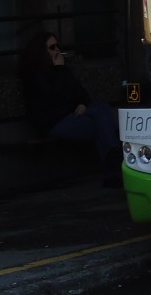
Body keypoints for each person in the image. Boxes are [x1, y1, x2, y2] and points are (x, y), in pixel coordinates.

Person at [18, 31, 121, 185]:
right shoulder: (34, 74)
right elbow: (52, 97)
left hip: (71, 114)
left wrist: (82, 104)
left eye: (58, 46)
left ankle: (112, 165)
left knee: (101, 109)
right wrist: (59, 70)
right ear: (41, 51)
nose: (57, 50)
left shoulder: (62, 69)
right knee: (101, 125)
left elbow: (82, 94)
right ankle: (112, 167)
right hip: (52, 122)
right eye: (52, 47)